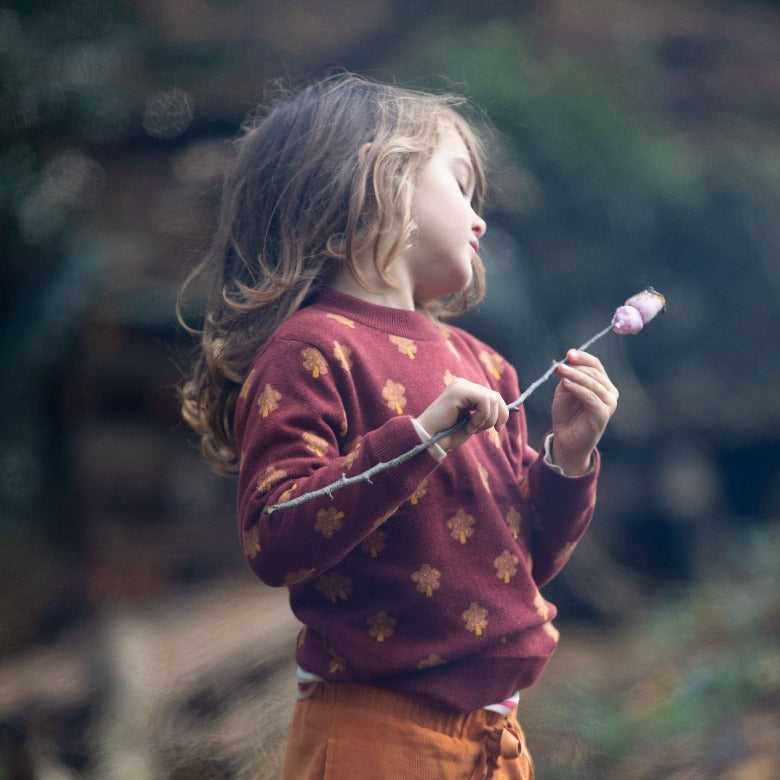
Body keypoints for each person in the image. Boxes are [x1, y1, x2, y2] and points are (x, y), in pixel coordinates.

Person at [178, 73, 618, 779]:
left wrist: (568, 460)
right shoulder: (312, 349)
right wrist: (418, 439)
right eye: (461, 186)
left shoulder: (488, 367)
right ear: (376, 181)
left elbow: (520, 565)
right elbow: (275, 537)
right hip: (375, 736)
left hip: (496, 740)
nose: (480, 218)